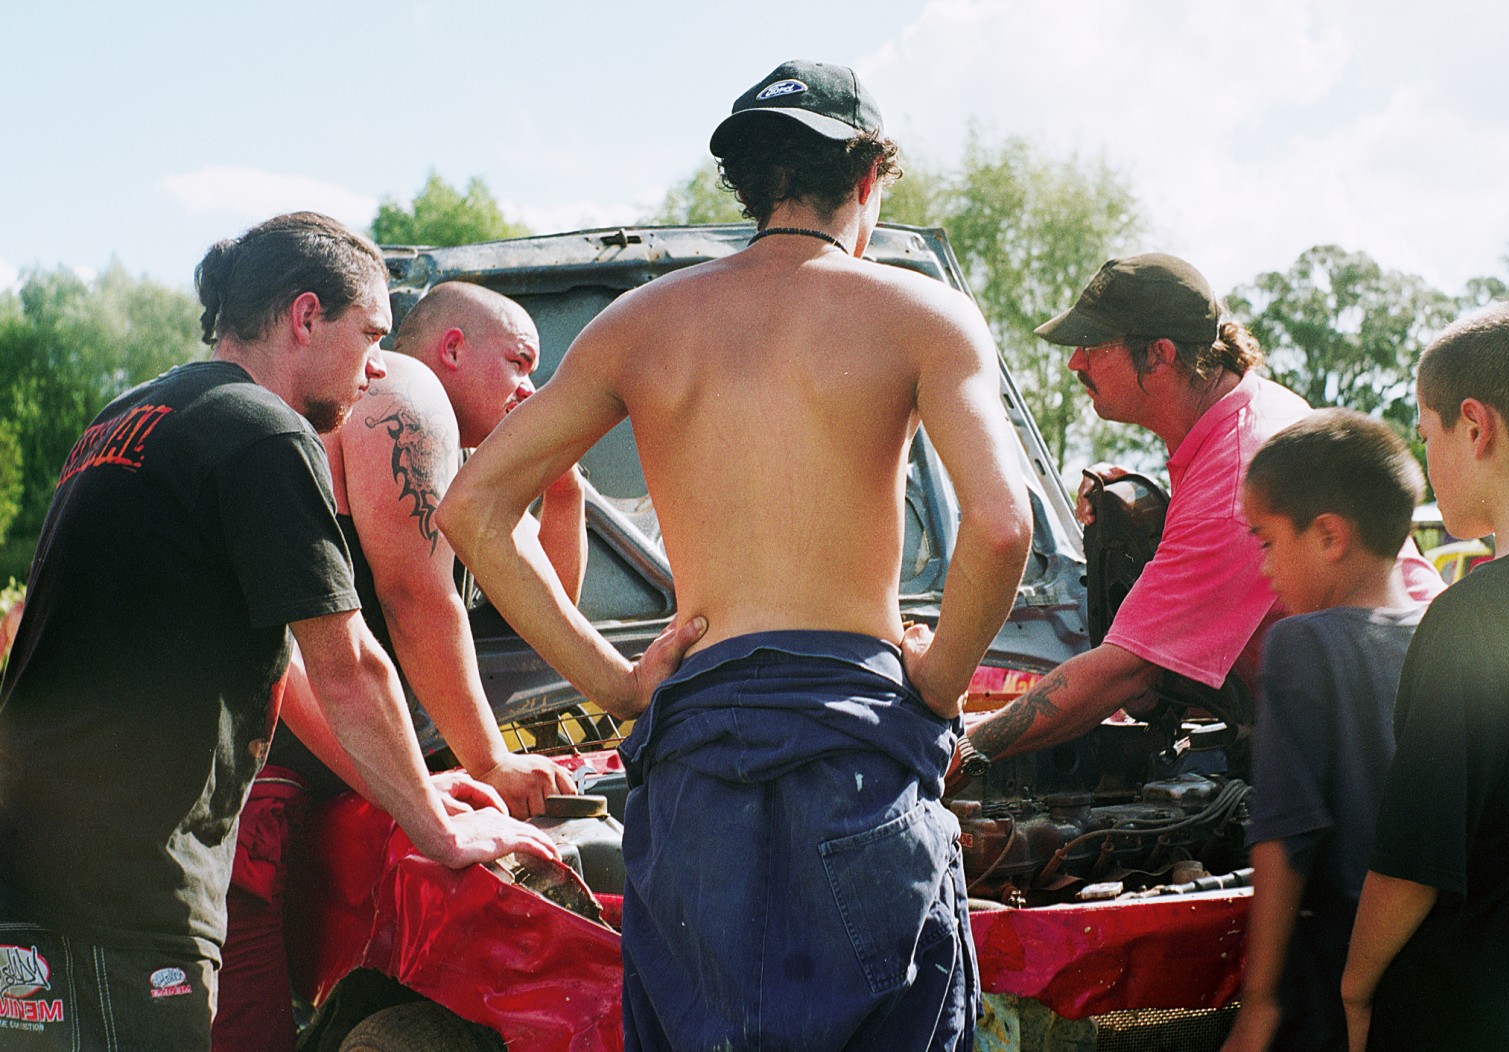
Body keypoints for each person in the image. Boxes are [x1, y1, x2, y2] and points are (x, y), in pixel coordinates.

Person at [436, 59, 1033, 1052]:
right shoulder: (920, 316)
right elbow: (1002, 526)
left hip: (693, 772)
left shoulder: (638, 324)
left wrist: (620, 684)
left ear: (751, 184)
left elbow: (473, 508)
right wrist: (934, 678)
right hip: (857, 755)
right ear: (870, 181)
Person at [0, 213, 571, 1051]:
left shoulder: (131, 416)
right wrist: (442, 830)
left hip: (35, 867)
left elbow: (291, 666)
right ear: (306, 317)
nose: (379, 367)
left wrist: (408, 789)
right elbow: (350, 666)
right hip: (129, 892)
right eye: (371, 334)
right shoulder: (263, 434)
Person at [211, 281, 587, 1052]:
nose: (531, 389)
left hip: (306, 760)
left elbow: (542, 617)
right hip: (263, 771)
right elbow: (415, 598)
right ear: (451, 349)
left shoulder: (436, 435)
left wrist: (564, 493)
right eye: (519, 362)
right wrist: (488, 760)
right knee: (239, 1030)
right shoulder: (409, 393)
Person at [963, 254, 1442, 771]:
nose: (1076, 362)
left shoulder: (1235, 474)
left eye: (1094, 346)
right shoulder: (1244, 411)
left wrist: (968, 746)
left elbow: (1126, 672)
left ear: (1159, 355)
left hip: (1391, 744)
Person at [1341, 301, 1509, 1051]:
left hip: (1469, 1012)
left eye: (1427, 434)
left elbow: (1412, 865)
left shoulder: (1469, 622)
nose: (1426, 459)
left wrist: (1356, 993)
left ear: (1476, 426)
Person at [1220, 409, 1430, 1052]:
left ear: (1329, 536)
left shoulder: (1301, 643)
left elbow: (1285, 836)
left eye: (1265, 540)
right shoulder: (1444, 632)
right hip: (1431, 971)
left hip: (1336, 976)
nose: (1264, 566)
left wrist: (1258, 1004)